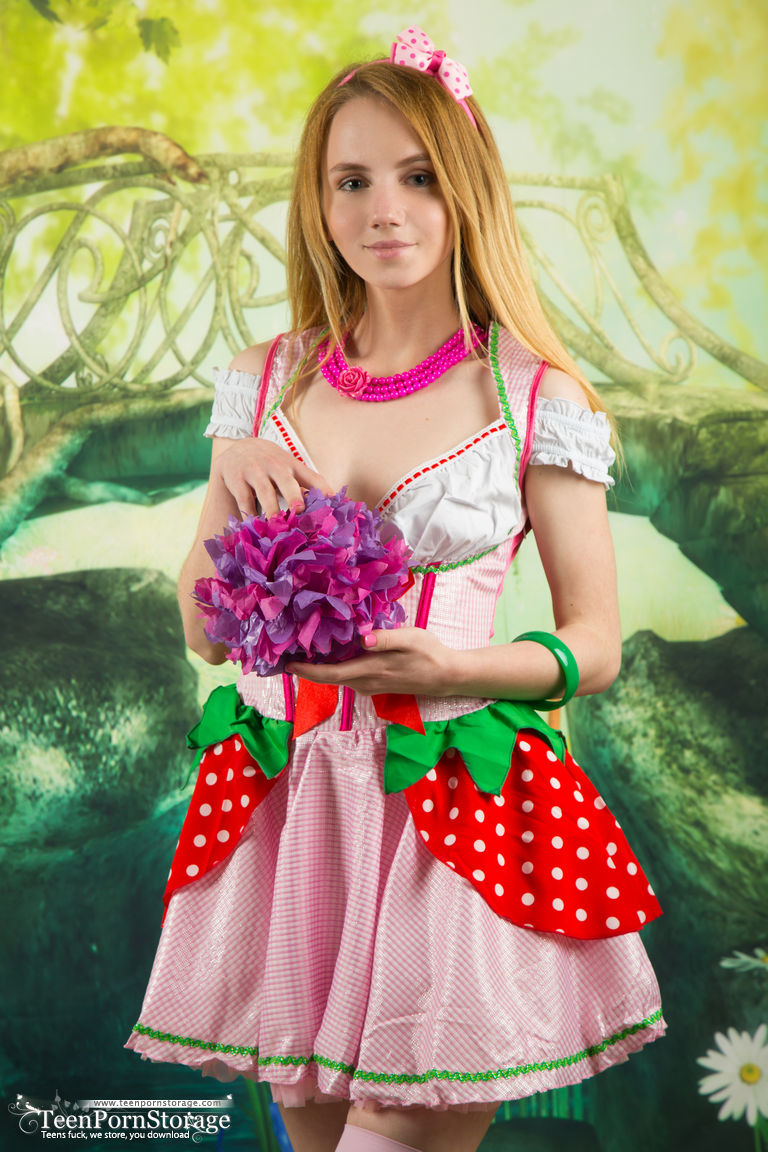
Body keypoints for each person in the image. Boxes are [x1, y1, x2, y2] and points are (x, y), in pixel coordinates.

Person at [126, 27, 665, 1152]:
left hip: (447, 810)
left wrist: (453, 665)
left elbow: (595, 643)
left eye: (418, 177)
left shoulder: (535, 396)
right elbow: (205, 634)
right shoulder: (262, 383)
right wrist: (233, 492)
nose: (385, 210)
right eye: (352, 181)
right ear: (318, 202)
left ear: (466, 190)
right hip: (291, 805)